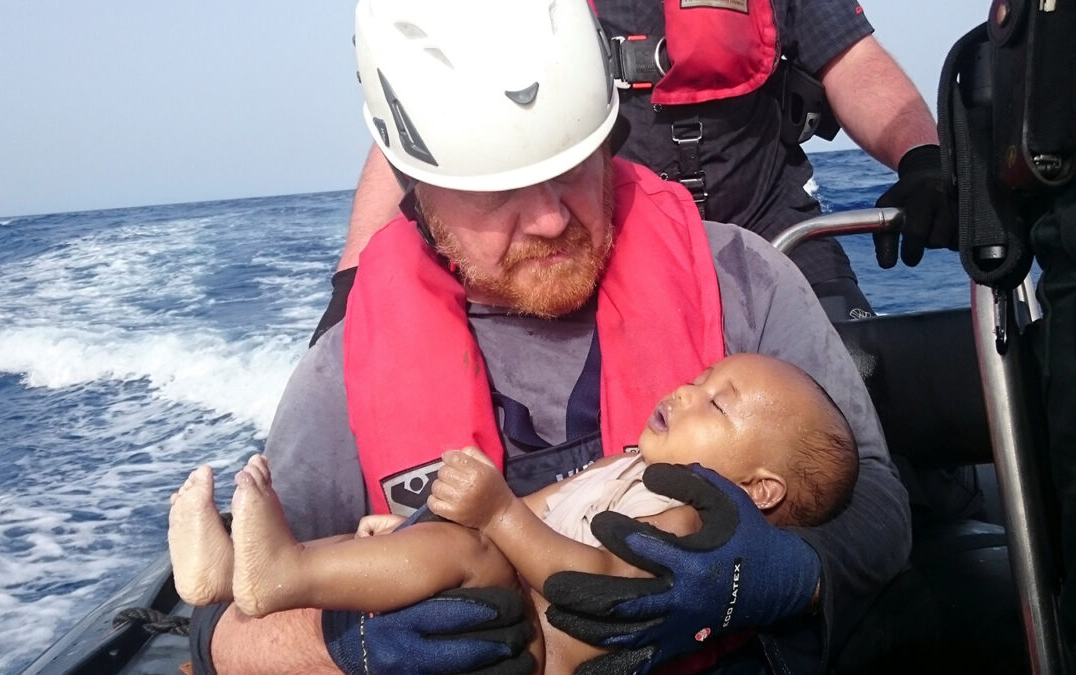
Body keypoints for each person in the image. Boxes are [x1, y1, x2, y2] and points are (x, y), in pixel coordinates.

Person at [188, 0, 910, 672]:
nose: (549, 219)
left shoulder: (744, 280)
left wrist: (776, 575)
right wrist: (347, 649)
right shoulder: (340, 374)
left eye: (571, 169)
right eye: (498, 192)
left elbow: (879, 512)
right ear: (417, 189)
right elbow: (223, 622)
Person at [312, 0, 956, 347]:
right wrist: (353, 281)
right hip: (612, 241)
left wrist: (921, 159)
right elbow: (430, 126)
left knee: (858, 374)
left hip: (773, 227)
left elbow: (855, 63)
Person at [170, 353, 859, 674]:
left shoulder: (693, 526)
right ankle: (237, 574)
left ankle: (280, 570)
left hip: (530, 652)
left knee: (470, 555)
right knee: (452, 543)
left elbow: (597, 585)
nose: (683, 389)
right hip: (485, 605)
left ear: (761, 489)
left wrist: (496, 515)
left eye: (715, 403)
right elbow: (543, 506)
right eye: (700, 377)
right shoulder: (627, 467)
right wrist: (421, 524)